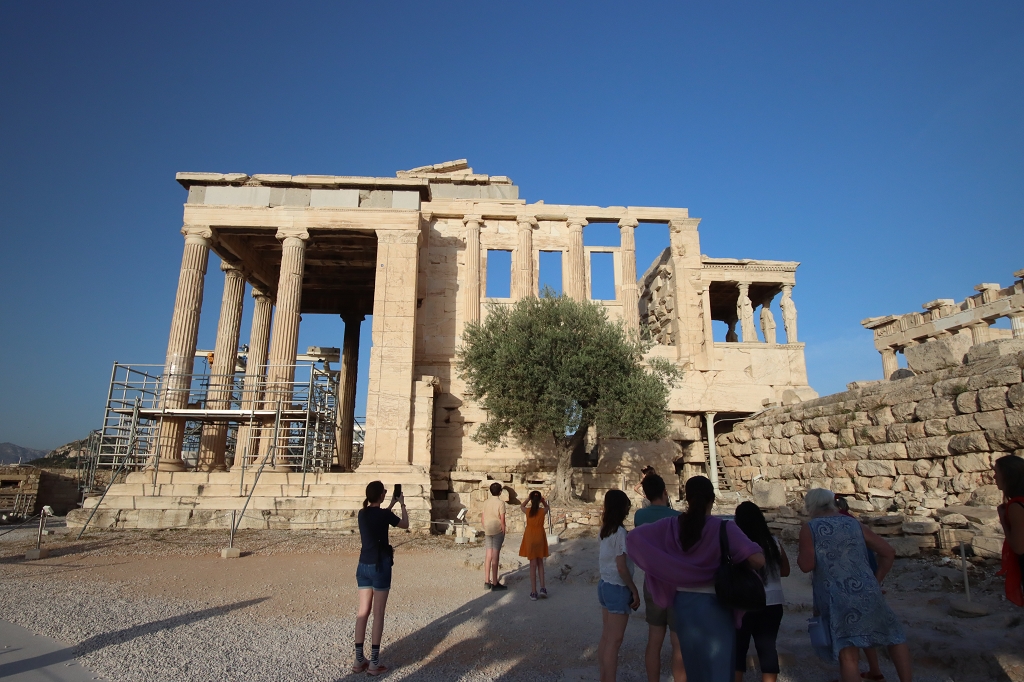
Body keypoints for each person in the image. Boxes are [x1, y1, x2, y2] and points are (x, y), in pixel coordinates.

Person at [628, 475, 765, 682]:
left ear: (688, 499)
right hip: (716, 603)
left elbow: (634, 539)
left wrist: (669, 568)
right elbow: (758, 560)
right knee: (717, 666)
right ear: (713, 499)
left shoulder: (671, 525)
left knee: (695, 667)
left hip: (683, 604)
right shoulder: (723, 528)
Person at [797, 488, 912, 682]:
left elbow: (806, 565)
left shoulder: (810, 528)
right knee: (894, 636)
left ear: (810, 505)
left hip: (836, 597)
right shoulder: (853, 523)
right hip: (867, 590)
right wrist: (876, 580)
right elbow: (888, 552)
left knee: (848, 654)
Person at [353, 480, 409, 676]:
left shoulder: (362, 513)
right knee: (378, 614)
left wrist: (390, 505)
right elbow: (405, 524)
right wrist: (401, 504)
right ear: (380, 495)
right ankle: (374, 663)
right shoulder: (384, 515)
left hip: (363, 565)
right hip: (380, 565)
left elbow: (379, 515)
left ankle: (359, 660)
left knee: (363, 612)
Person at [633, 474, 686, 682]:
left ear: (645, 494)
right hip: (675, 584)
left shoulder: (640, 516)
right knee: (678, 644)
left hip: (652, 582)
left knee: (654, 641)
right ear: (665, 491)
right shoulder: (678, 517)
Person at [732, 501, 790, 682]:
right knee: (767, 648)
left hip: (745, 602)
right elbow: (785, 571)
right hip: (772, 601)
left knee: (738, 649)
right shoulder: (773, 541)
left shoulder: (738, 543)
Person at [598, 489, 641, 682]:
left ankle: (604, 677)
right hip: (617, 586)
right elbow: (622, 568)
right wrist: (633, 589)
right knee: (614, 642)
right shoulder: (620, 533)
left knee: (607, 638)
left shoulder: (605, 529)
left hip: (604, 584)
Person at [994, 454, 1024, 607]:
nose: (994, 477)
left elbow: (1019, 548)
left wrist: (1003, 521)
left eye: (997, 472)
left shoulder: (1016, 506)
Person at [519, 490, 550, 600]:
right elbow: (547, 508)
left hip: (530, 537)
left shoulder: (528, 511)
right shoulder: (542, 511)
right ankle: (543, 588)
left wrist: (528, 499)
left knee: (532, 564)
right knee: (540, 562)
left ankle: (533, 591)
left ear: (531, 500)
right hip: (540, 536)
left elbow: (521, 506)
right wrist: (543, 501)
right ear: (540, 500)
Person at [481, 482, 508, 591]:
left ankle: (487, 581)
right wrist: (504, 531)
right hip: (497, 530)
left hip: (488, 529)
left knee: (488, 555)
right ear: (500, 492)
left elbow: (482, 518)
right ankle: (495, 582)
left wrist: (485, 527)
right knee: (495, 556)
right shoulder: (501, 503)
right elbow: (502, 519)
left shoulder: (486, 502)